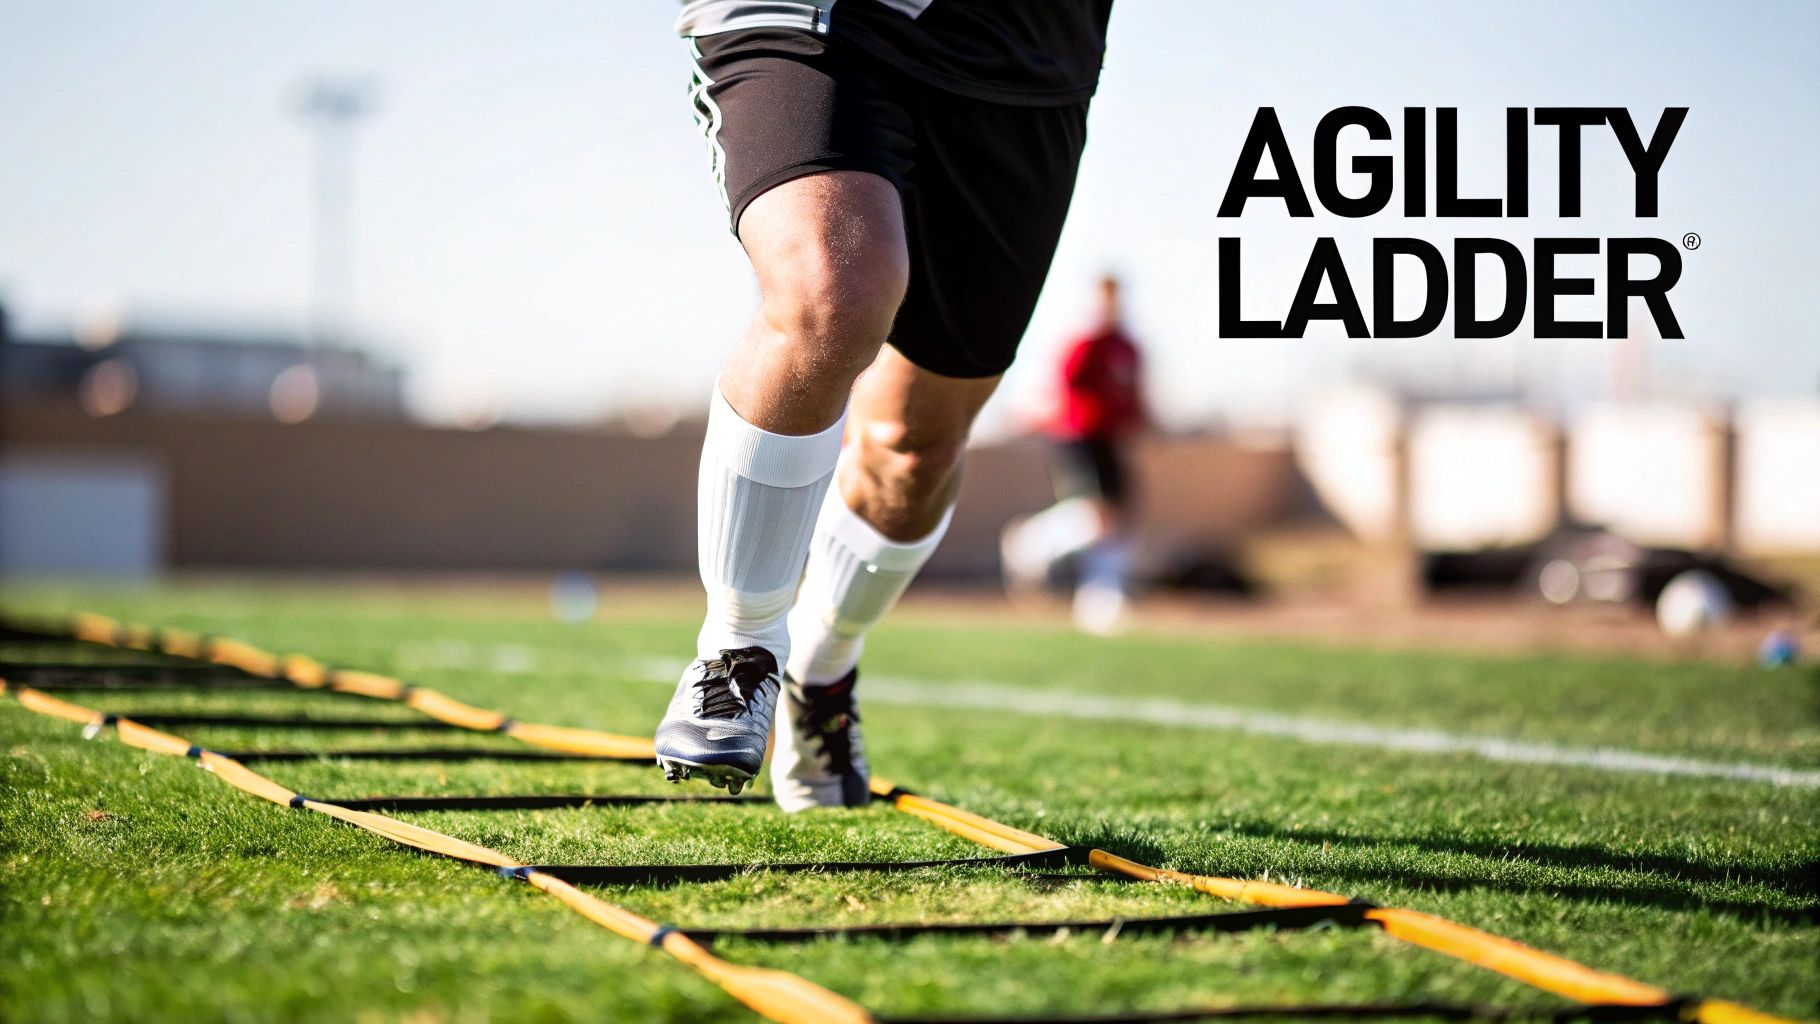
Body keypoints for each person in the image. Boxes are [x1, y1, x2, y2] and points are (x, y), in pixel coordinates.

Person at [654, 0, 1116, 807]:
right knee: (832, 292)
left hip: (1021, 55)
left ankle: (820, 676)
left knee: (913, 446)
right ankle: (739, 648)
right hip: (816, 13)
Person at [999, 274, 1146, 633]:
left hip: (1110, 440)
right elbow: (1060, 388)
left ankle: (1099, 601)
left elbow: (1133, 396)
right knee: (1096, 516)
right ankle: (1030, 546)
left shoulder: (1127, 346)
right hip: (1078, 436)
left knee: (1114, 520)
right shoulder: (1085, 343)